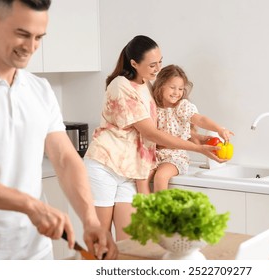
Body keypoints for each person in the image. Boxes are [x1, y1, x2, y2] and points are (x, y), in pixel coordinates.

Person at [0, 0, 117, 260]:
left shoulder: (39, 90)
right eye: (22, 34)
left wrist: (90, 220)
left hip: (37, 252)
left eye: (39, 37)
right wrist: (29, 205)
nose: (30, 47)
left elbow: (65, 159)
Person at [84, 35, 223, 241]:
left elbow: (166, 125)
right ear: (134, 63)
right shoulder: (120, 85)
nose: (157, 69)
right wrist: (198, 150)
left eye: (160, 62)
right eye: (152, 64)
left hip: (132, 172)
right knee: (100, 241)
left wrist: (196, 137)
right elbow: (150, 132)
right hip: (105, 166)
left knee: (128, 243)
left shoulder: (147, 86)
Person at [135, 65, 234, 193]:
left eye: (180, 89)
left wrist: (219, 129)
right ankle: (147, 210)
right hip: (155, 155)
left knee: (161, 177)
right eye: (172, 87)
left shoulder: (182, 107)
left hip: (175, 156)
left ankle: (161, 212)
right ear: (161, 86)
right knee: (141, 178)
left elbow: (200, 119)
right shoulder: (153, 106)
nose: (177, 92)